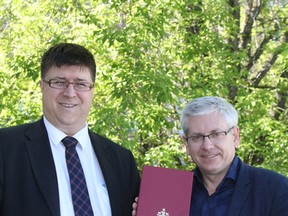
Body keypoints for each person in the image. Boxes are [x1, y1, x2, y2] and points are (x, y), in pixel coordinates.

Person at [0, 43, 140, 216]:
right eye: (59, 82)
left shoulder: (121, 161)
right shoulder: (5, 149)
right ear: (42, 86)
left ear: (92, 90)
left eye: (81, 84)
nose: (70, 93)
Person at [132, 96, 288, 216]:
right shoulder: (170, 194)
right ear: (186, 144)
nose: (207, 146)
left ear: (235, 136)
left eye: (216, 134)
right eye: (197, 137)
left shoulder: (276, 189)